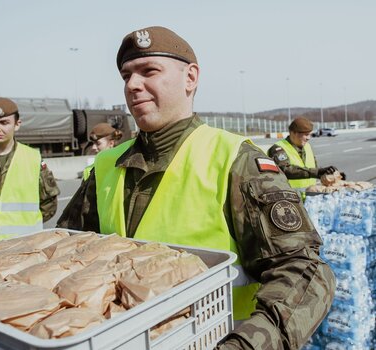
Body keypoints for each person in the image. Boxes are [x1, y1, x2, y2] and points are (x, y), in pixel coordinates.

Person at [57, 26, 335, 349]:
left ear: (190, 78)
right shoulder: (105, 168)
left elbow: (306, 274)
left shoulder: (234, 161)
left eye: (149, 71)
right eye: (126, 76)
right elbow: (65, 257)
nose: (133, 85)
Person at [0, 97, 60, 242]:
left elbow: (49, 203)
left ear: (17, 124)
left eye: (4, 123)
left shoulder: (33, 158)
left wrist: (28, 224)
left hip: (24, 248)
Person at [268, 117, 345, 198]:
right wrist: (317, 172)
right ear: (293, 133)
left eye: (310, 134)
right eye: (306, 134)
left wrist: (328, 174)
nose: (309, 138)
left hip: (310, 198)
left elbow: (311, 170)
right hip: (290, 199)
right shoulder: (278, 148)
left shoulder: (307, 147)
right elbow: (285, 170)